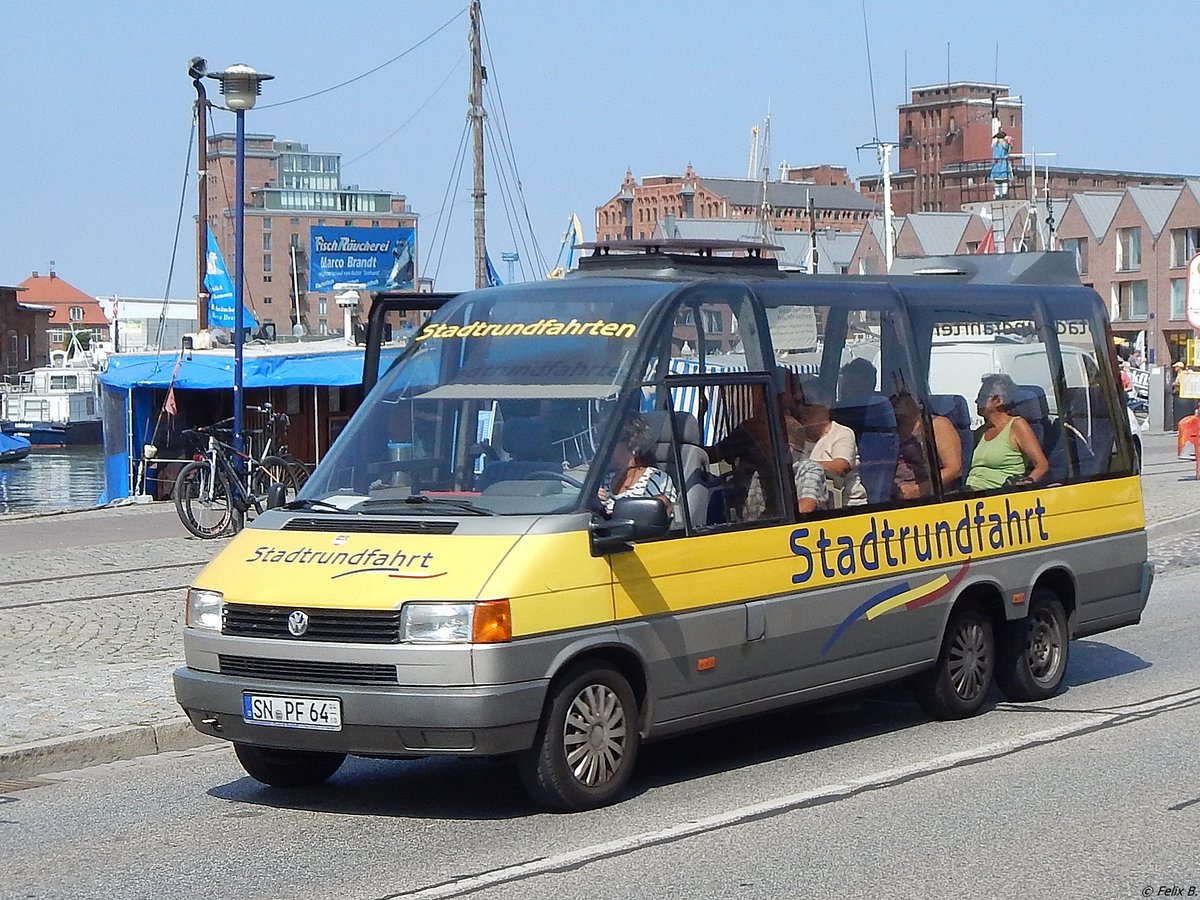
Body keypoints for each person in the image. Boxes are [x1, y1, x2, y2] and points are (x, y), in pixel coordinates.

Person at [965, 374, 1049, 491]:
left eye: (982, 397)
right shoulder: (980, 432)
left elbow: (1042, 466)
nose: (976, 401)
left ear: (998, 401)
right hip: (969, 493)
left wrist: (1026, 482)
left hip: (998, 495)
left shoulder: (1017, 425)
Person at [795, 384, 866, 506]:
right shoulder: (796, 435)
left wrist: (804, 467)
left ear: (826, 403)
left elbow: (841, 467)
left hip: (846, 508)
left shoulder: (842, 433)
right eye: (798, 402)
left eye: (807, 401)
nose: (802, 408)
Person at [598, 414, 677, 517]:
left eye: (612, 441)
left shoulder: (655, 479)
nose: (606, 448)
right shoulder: (604, 478)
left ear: (634, 443)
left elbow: (666, 519)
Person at [890, 391, 963, 499]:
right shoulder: (891, 429)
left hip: (929, 497)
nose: (894, 403)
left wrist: (917, 490)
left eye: (899, 398)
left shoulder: (936, 425)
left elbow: (954, 469)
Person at [991, 129, 1013, 199]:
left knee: (997, 181)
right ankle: (1004, 194)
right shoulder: (1004, 144)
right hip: (1003, 164)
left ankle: (997, 194)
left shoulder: (994, 145)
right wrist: (1009, 142)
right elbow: (1009, 149)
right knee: (1004, 180)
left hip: (996, 164)